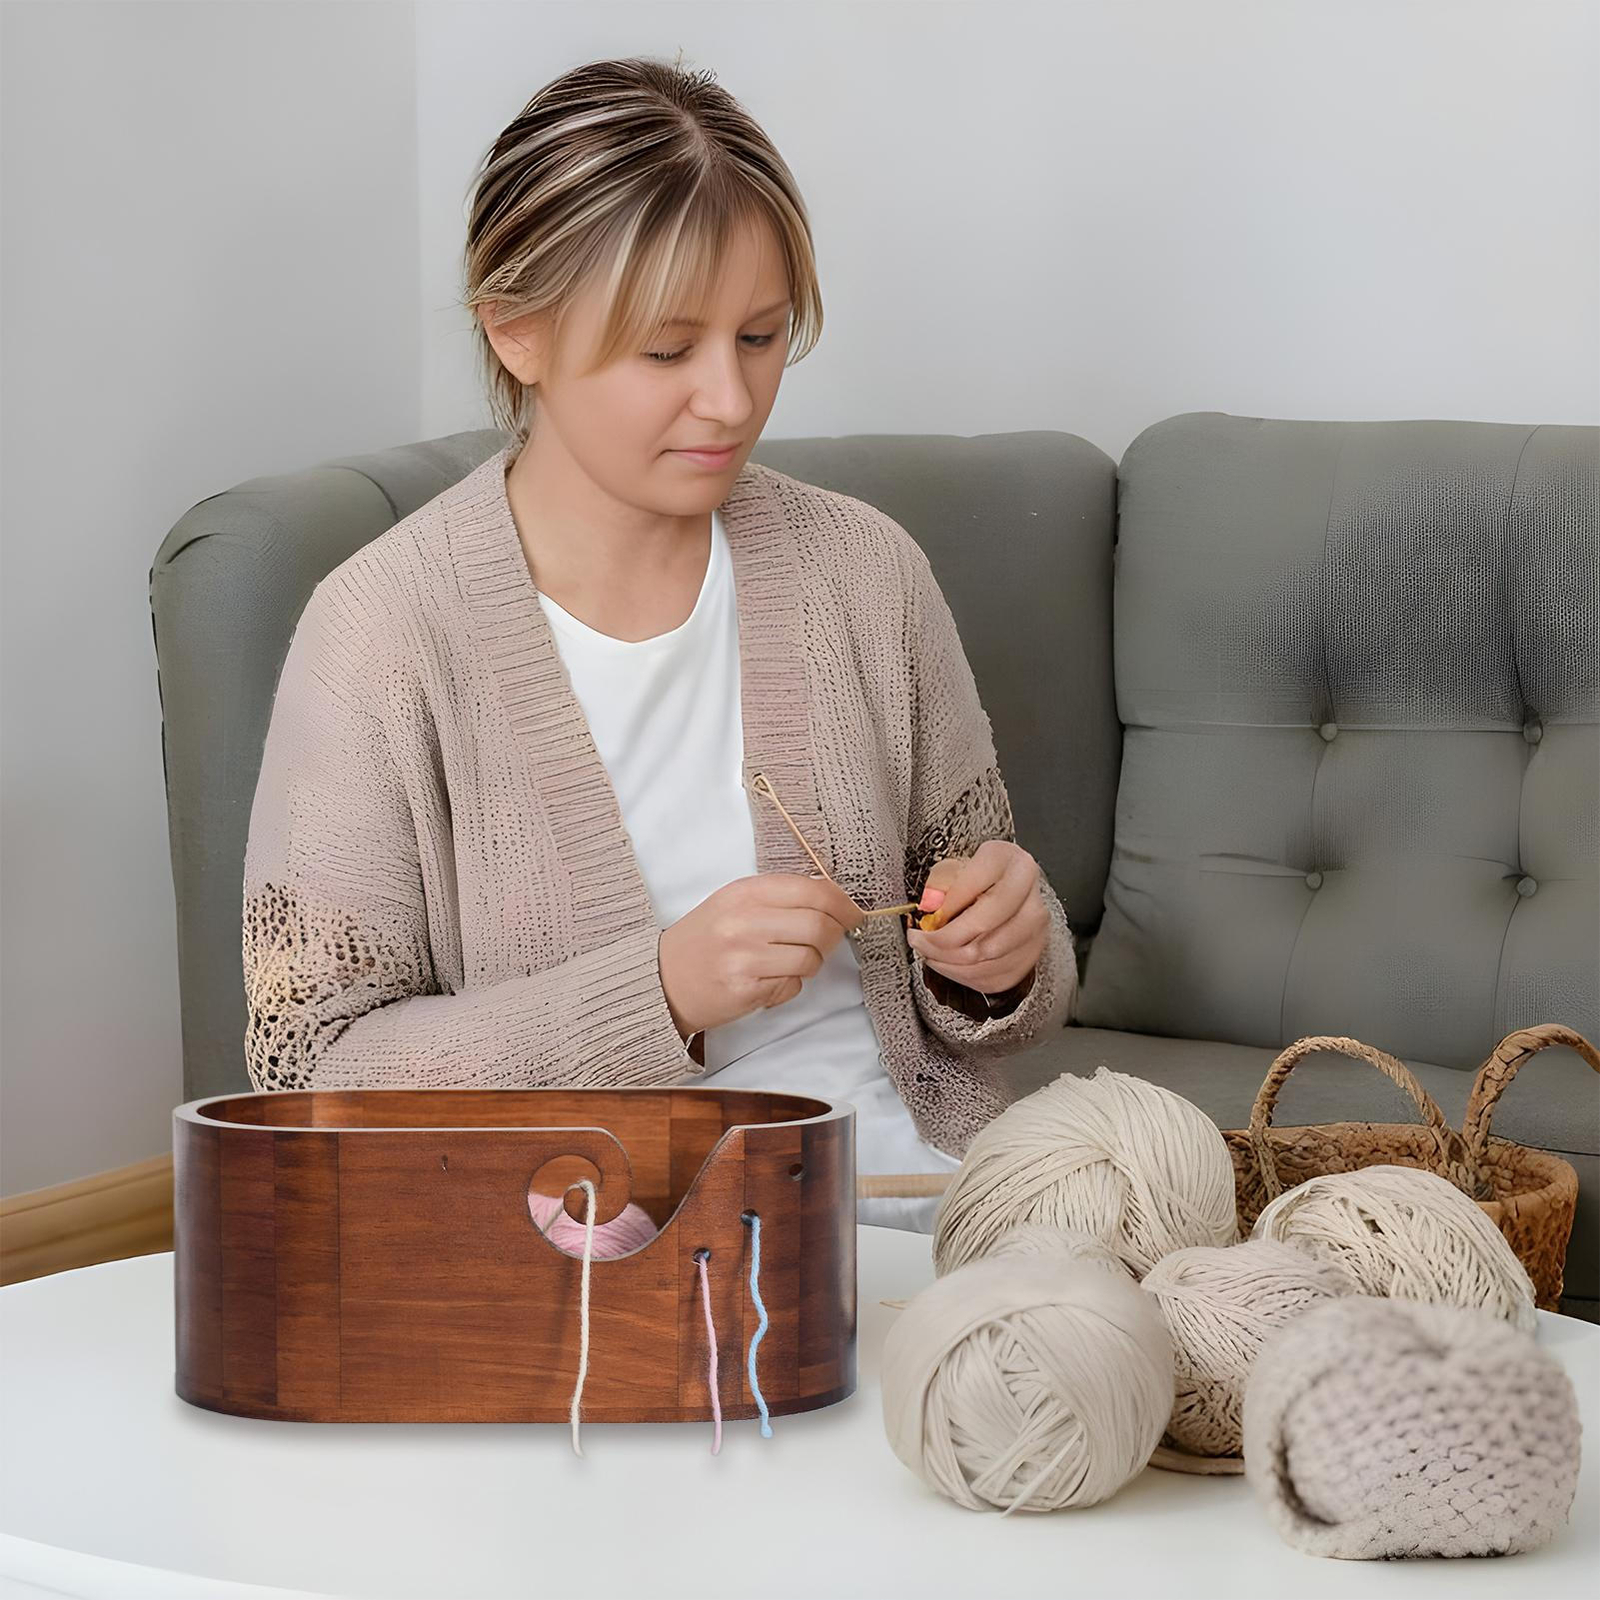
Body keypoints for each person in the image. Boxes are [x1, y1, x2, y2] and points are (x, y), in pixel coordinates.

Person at [241, 54, 1079, 1235]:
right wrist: (660, 991)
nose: (730, 400)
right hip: (607, 1255)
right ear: (516, 332)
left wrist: (998, 956)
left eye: (761, 335)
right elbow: (316, 1072)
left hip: (934, 1202)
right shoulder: (380, 631)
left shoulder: (867, 571)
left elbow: (1002, 970)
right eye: (667, 350)